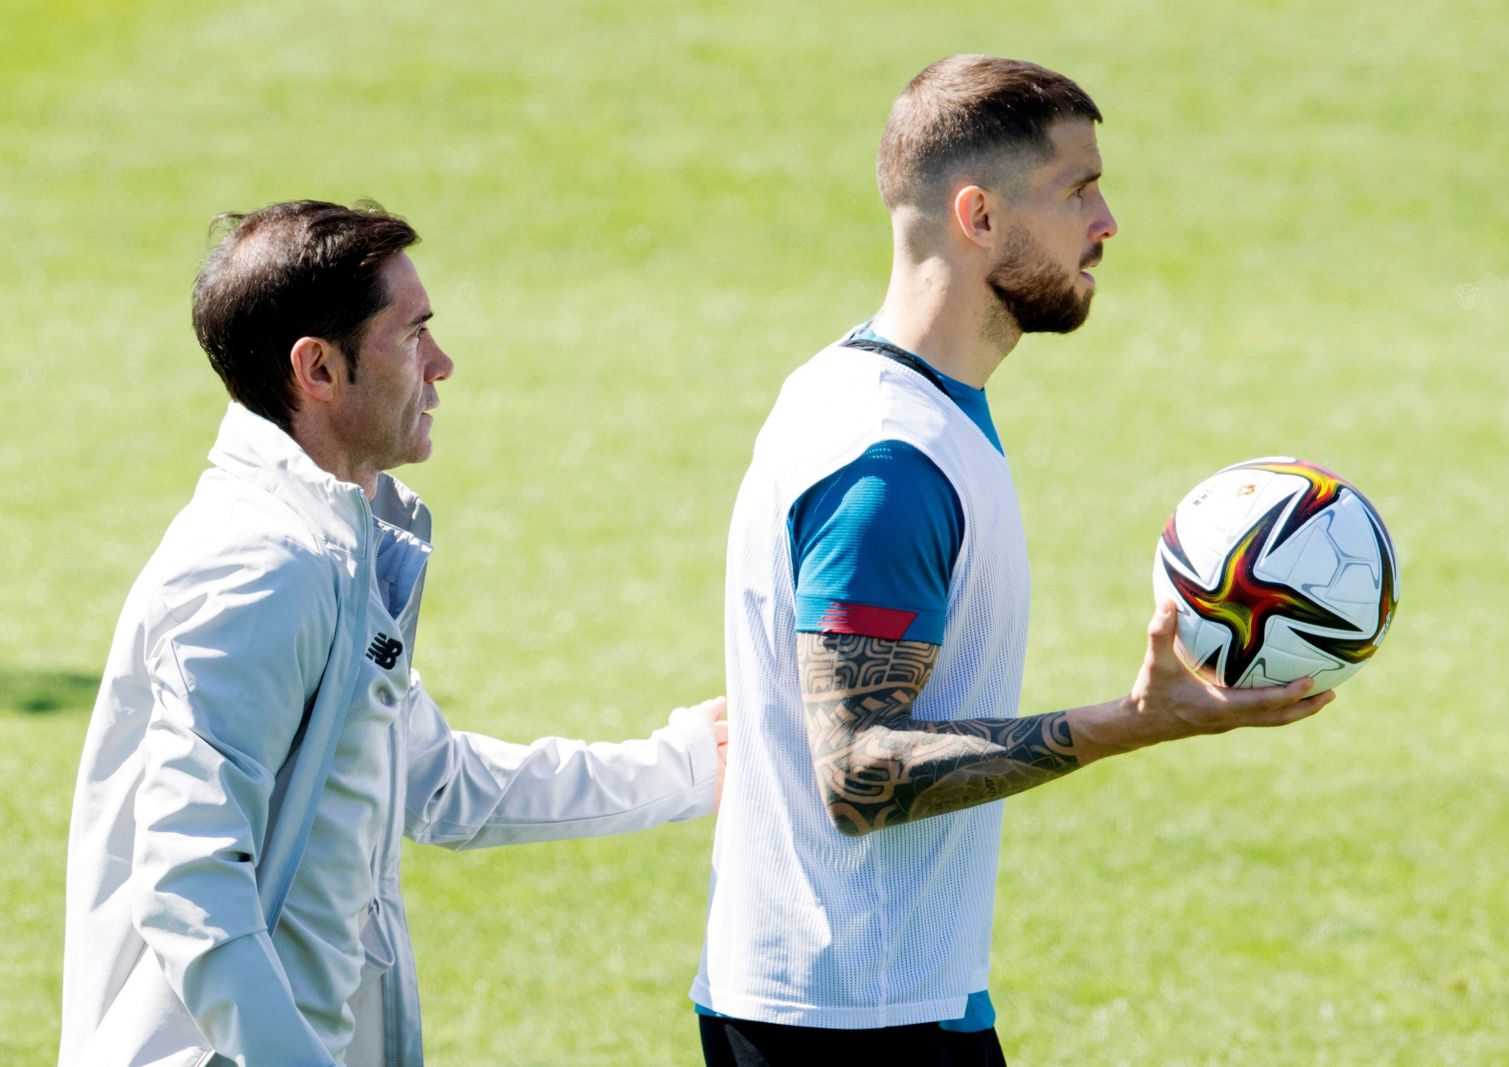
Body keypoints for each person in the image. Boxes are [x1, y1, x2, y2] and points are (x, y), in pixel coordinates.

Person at [691, 55, 1334, 1065]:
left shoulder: (890, 400)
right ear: (978, 215)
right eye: (1077, 187)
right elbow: (856, 773)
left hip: (888, 994)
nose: (1107, 220)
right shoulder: (888, 461)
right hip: (851, 1020)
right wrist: (1133, 723)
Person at [59, 200, 728, 1067]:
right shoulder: (262, 567)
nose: (443, 365)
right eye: (414, 336)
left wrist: (688, 764)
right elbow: (192, 885)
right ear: (320, 368)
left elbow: (439, 782)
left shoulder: (330, 545)